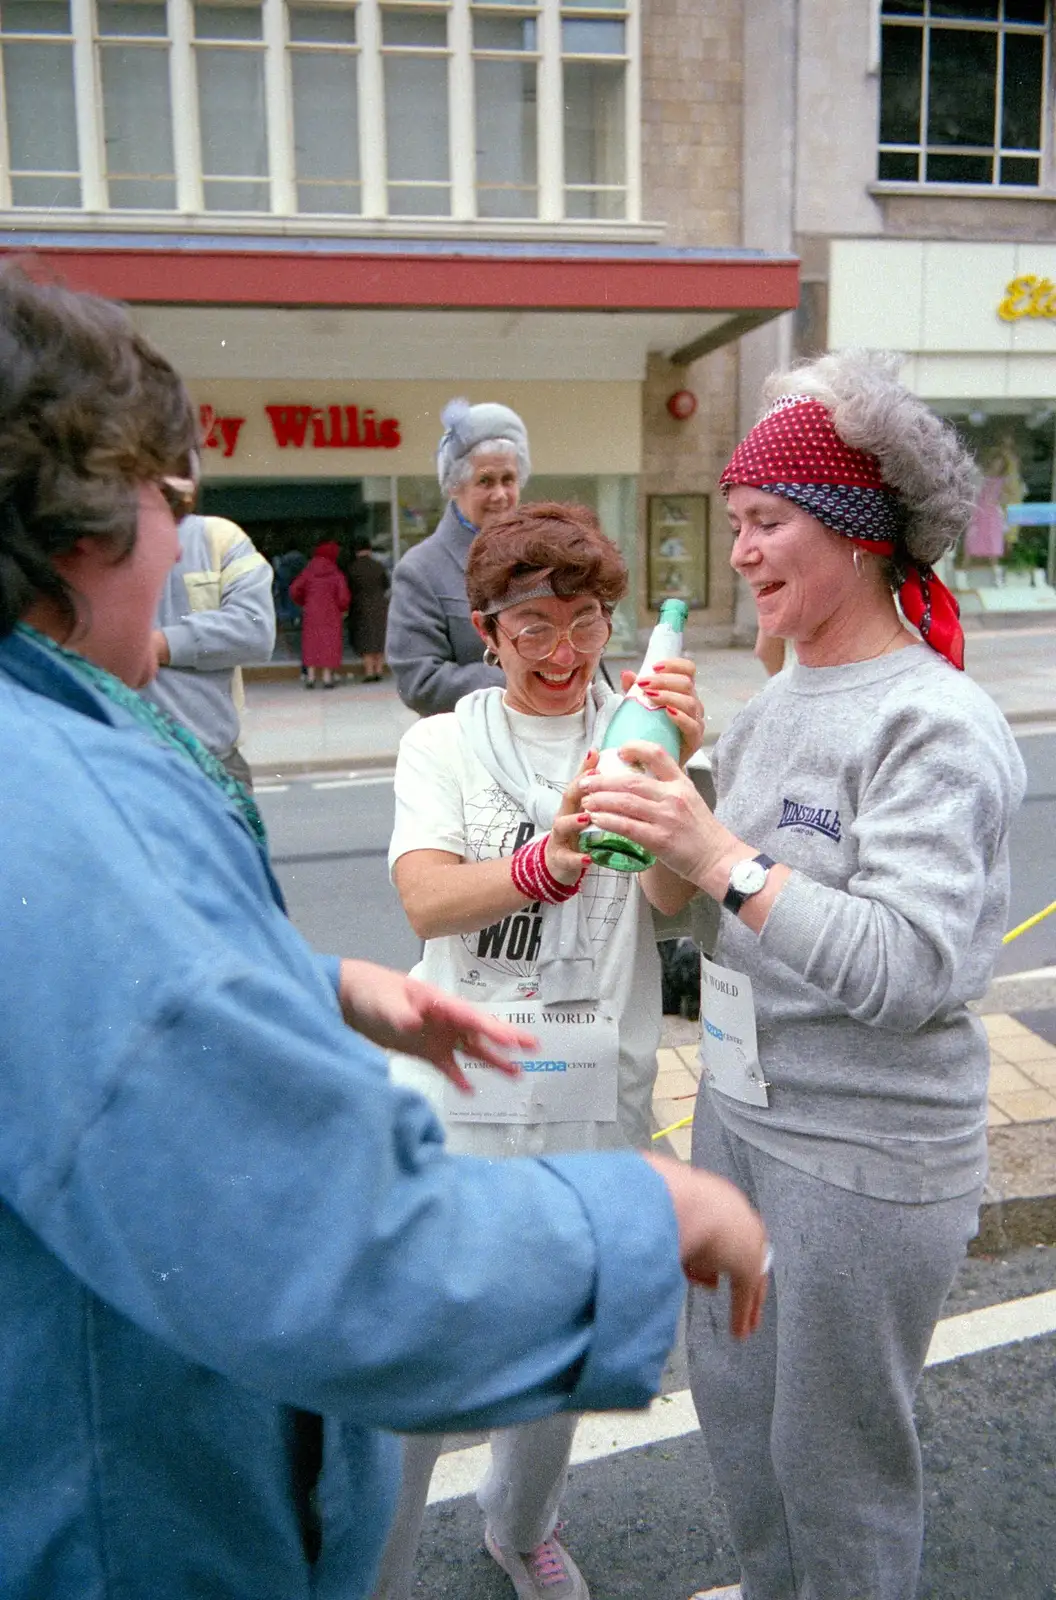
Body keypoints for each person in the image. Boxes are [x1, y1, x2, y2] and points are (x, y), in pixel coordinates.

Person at [0, 267, 769, 1600]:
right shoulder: (57, 797)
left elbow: (104, 1003)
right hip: (136, 1522)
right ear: (76, 521)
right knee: (426, 1413)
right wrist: (643, 1218)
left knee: (536, 1409)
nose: (183, 552)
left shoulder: (59, 745)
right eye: (170, 507)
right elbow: (328, 1248)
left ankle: (515, 1528)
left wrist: (325, 984)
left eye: (586, 620)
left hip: (595, 1073)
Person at [575, 351, 1027, 1600]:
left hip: (865, 1156)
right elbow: (697, 916)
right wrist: (660, 815)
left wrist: (716, 851)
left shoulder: (932, 722)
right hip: (741, 1117)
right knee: (737, 1414)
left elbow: (915, 965)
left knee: (837, 1465)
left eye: (768, 524)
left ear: (858, 535)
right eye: (736, 527)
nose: (743, 554)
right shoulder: (775, 705)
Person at [375, 502, 708, 1600]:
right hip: (456, 1094)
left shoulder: (641, 726)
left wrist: (681, 789)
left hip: (589, 1096)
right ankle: (368, 1563)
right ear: (487, 630)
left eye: (584, 623)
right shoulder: (445, 741)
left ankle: (522, 1525)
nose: (564, 654)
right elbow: (425, 897)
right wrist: (539, 866)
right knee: (422, 1352)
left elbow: (668, 906)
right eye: (535, 629)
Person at [386, 396, 529, 715]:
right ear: (454, 485)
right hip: (468, 748)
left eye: (508, 479)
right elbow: (418, 681)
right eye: (485, 481)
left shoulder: (538, 555)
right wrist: (521, 679)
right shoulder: (420, 569)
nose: (501, 495)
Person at [142, 475, 275, 788]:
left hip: (213, 760)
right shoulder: (87, 546)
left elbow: (255, 630)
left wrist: (161, 644)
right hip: (127, 763)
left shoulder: (217, 537)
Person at [290, 539, 350, 687]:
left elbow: (294, 590)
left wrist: (303, 602)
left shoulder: (308, 572)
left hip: (311, 612)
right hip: (331, 613)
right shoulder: (336, 574)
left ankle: (310, 677)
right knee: (329, 644)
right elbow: (343, 597)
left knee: (311, 644)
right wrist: (342, 608)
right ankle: (327, 677)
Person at [348, 534, 390, 681]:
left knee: (365, 640)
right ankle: (379, 670)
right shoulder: (378, 566)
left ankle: (369, 672)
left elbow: (350, 589)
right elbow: (386, 585)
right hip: (380, 605)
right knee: (379, 638)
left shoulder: (353, 568)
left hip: (361, 606)